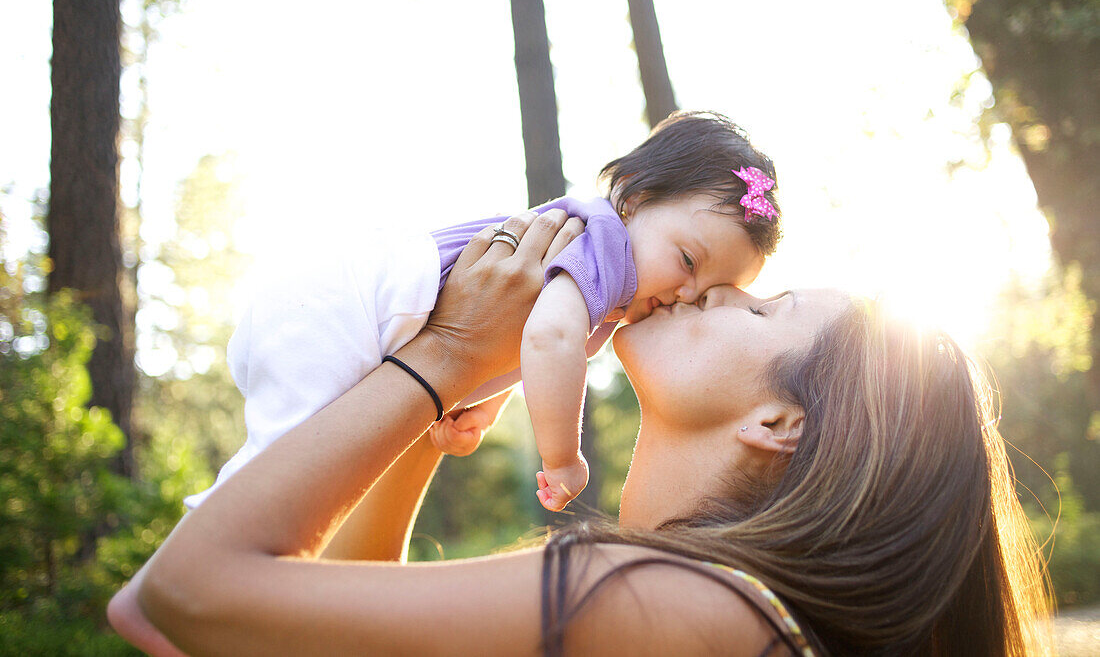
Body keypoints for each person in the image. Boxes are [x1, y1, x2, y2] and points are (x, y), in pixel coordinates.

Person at [110, 210, 1052, 655]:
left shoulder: (665, 599)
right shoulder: (713, 606)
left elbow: (188, 593)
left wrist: (438, 359)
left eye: (764, 310)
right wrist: (446, 393)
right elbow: (331, 622)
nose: (719, 288)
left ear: (781, 421)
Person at [185, 110, 781, 514]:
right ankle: (192, 574)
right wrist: (562, 458)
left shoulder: (606, 278)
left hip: (333, 311)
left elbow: (517, 337)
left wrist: (481, 400)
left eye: (706, 291)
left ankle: (208, 578)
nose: (686, 293)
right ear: (633, 196)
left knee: (307, 474)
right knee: (287, 476)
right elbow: (547, 341)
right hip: (342, 311)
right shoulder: (606, 246)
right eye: (687, 260)